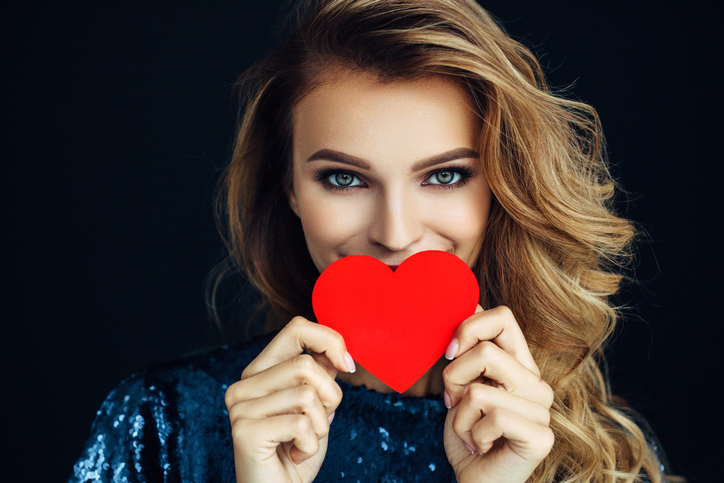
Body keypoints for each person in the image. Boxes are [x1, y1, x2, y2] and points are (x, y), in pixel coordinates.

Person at [69, 0, 679, 481]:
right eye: (344, 178)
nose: (395, 234)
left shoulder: (600, 459)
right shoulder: (156, 425)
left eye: (444, 176)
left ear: (500, 188)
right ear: (288, 187)